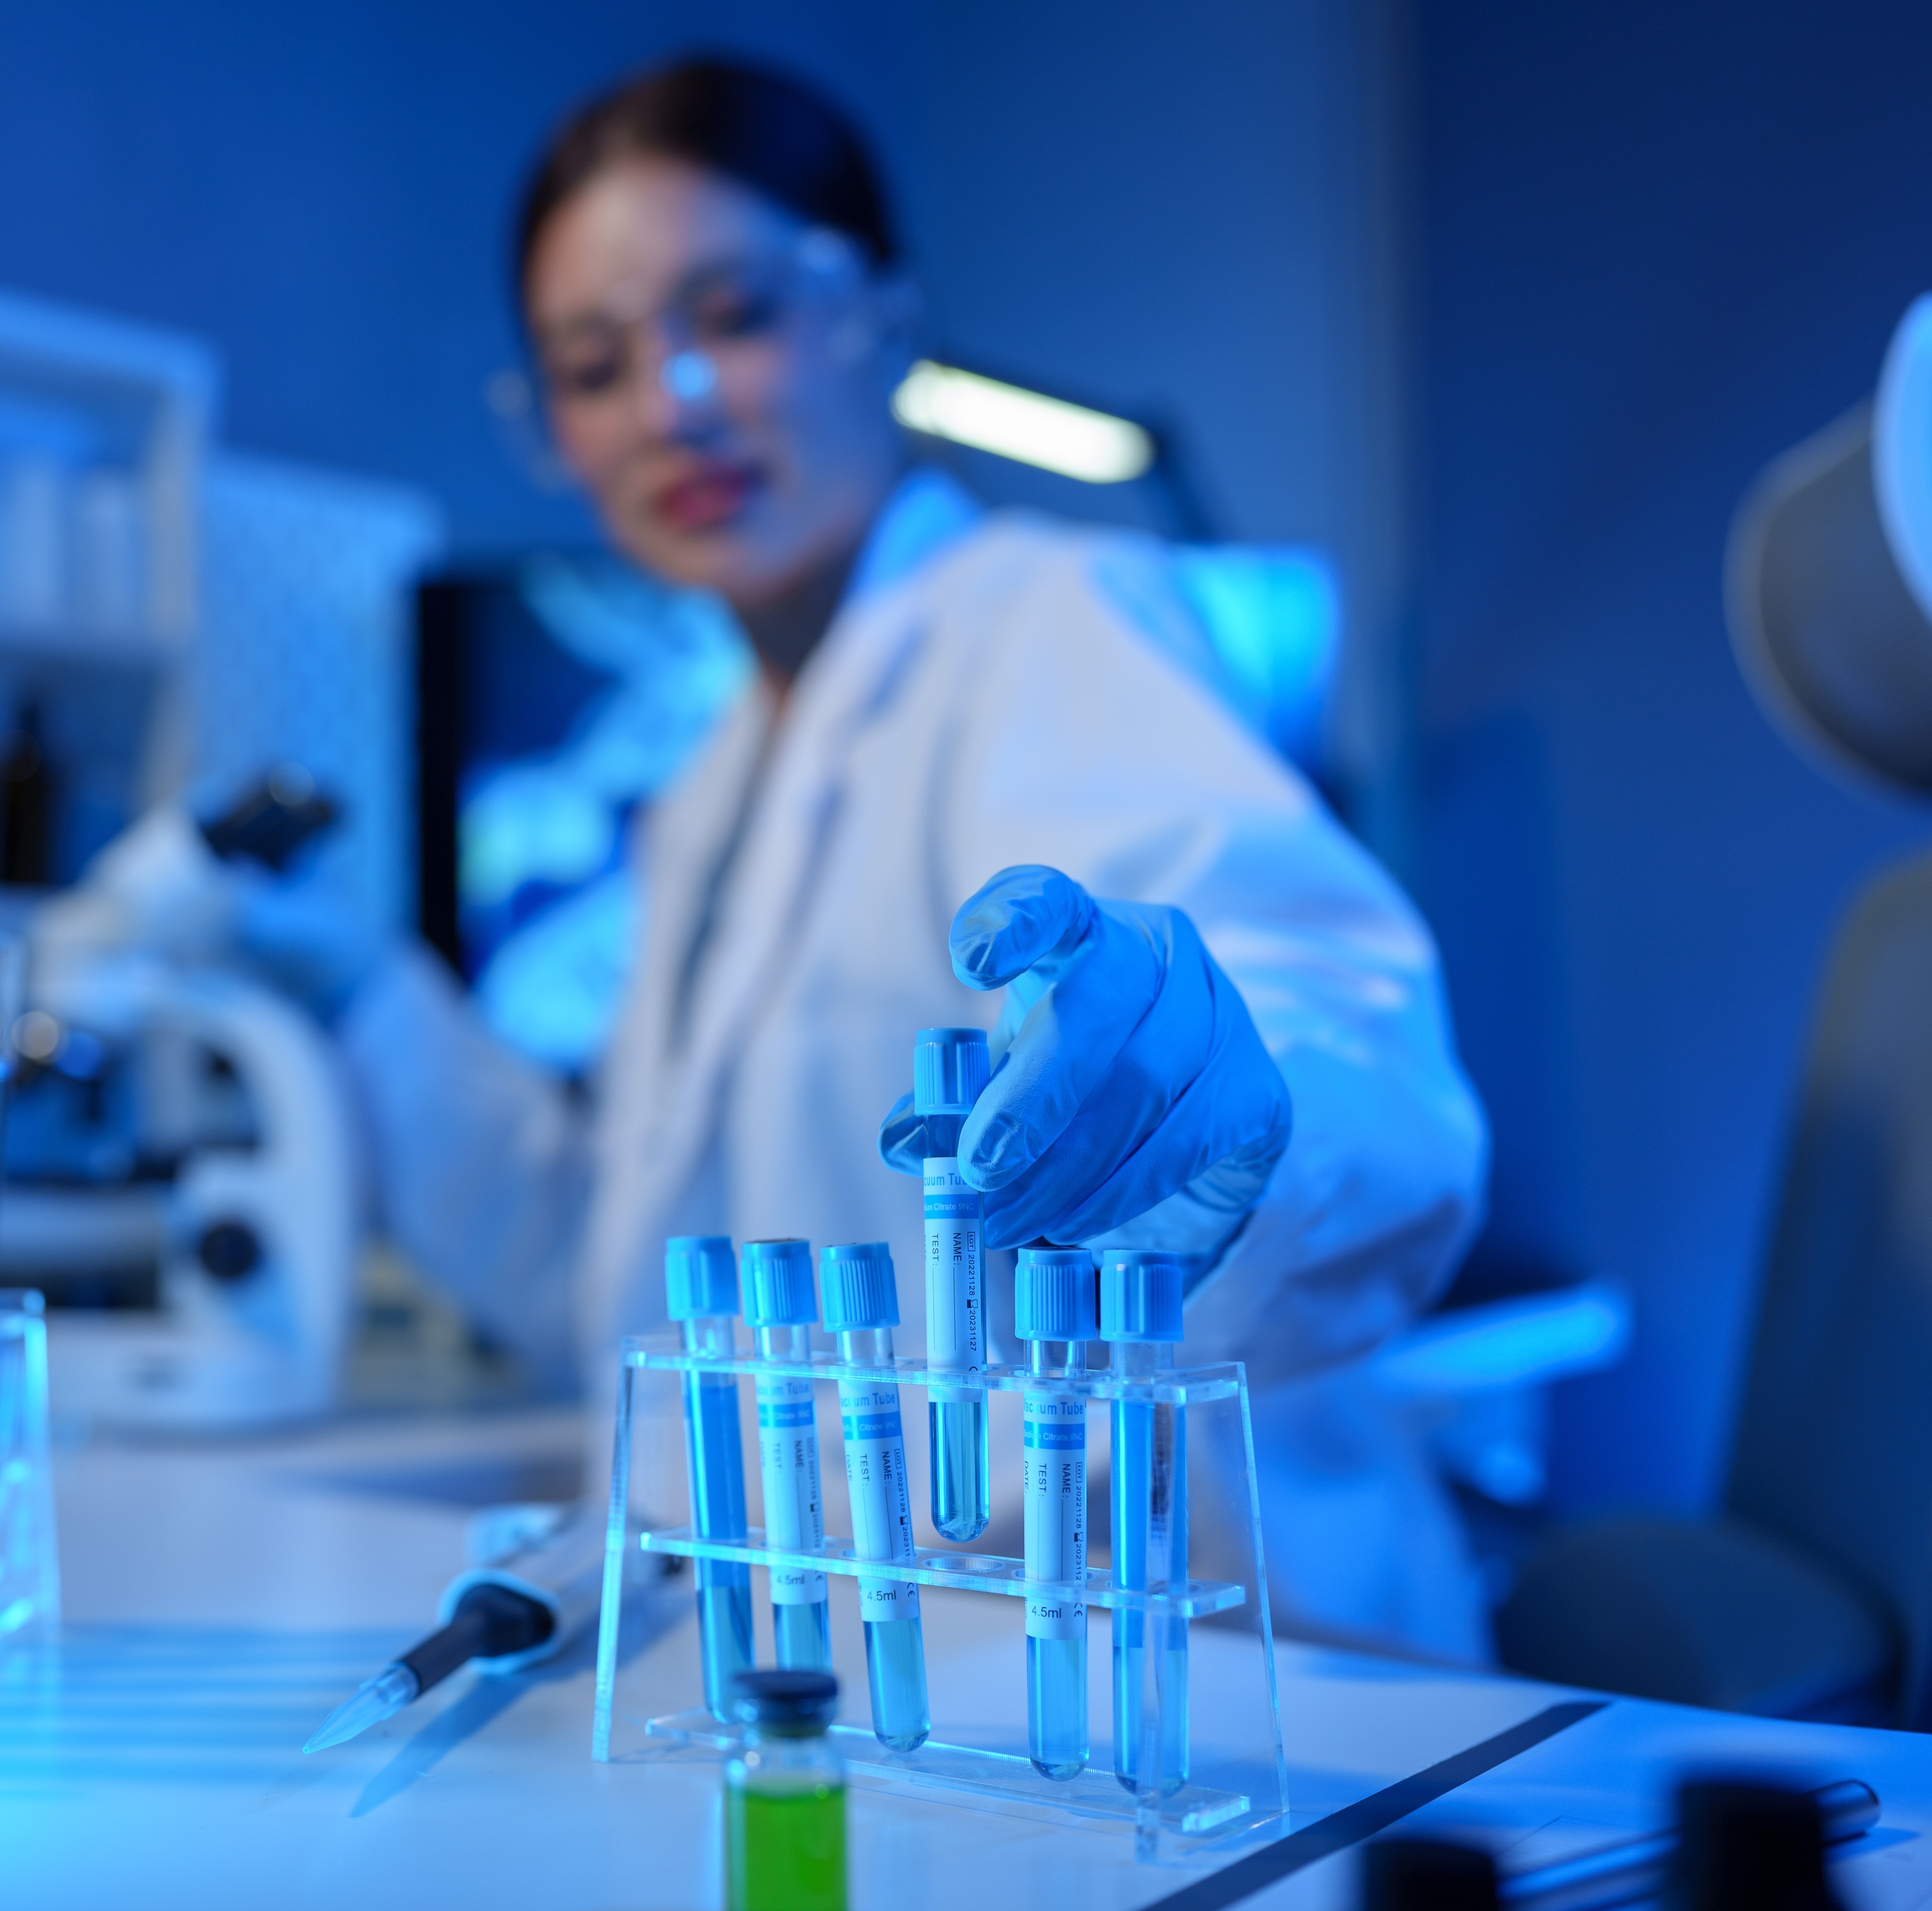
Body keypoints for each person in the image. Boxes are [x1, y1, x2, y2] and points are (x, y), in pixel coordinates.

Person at [246, 57, 1489, 1659]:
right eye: (594, 365)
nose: (673, 403)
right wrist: (359, 989)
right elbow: (623, 1285)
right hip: (859, 1659)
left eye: (737, 314)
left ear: (885, 326)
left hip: (1181, 1656)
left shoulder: (1044, 620)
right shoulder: (711, 790)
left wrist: (1225, 1102)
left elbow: (1325, 1023)